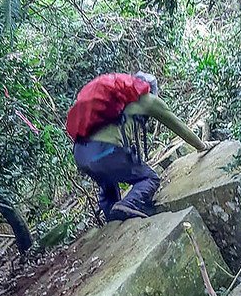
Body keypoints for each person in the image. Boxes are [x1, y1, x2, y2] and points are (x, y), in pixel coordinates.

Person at [70, 72, 216, 222]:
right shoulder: (147, 99)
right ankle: (128, 203)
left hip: (81, 155)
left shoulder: (115, 102)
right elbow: (179, 126)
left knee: (108, 185)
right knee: (149, 178)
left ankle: (113, 222)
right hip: (106, 152)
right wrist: (201, 146)